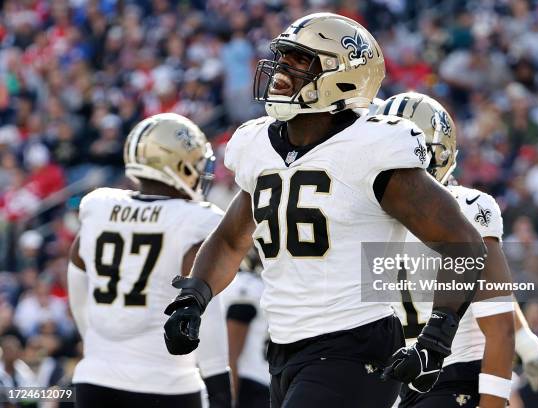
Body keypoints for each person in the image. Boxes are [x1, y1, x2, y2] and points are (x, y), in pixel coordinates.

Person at [163, 13, 487, 408]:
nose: (282, 71)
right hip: (284, 348)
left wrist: (435, 341)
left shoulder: (371, 147)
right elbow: (232, 239)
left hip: (356, 344)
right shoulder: (259, 145)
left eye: (300, 61)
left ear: (343, 75)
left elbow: (464, 244)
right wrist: (194, 297)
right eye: (283, 58)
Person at [378, 92, 538, 408]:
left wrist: (527, 346)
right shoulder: (369, 218)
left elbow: (495, 312)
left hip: (455, 377)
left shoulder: (467, 208)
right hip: (404, 384)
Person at [67, 113, 231, 408]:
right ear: (178, 164)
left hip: (96, 379)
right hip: (165, 383)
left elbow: (78, 284)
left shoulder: (99, 206)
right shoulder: (196, 220)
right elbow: (208, 314)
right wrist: (220, 389)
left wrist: (95, 344)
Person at [222, 249, 270, 408]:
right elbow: (231, 354)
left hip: (269, 383)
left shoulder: (265, 286)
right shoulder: (248, 287)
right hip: (250, 385)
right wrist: (231, 400)